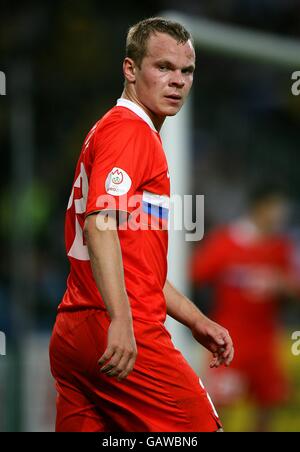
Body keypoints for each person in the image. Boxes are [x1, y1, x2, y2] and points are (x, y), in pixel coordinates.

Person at [49, 17, 234, 432]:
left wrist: (196, 319)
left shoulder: (111, 130)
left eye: (186, 71)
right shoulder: (131, 131)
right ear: (130, 69)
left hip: (74, 329)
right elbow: (100, 224)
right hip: (119, 325)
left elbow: (137, 265)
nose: (177, 81)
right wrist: (120, 320)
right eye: (163, 67)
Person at [190, 183, 299, 431]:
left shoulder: (279, 248)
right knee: (220, 407)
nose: (280, 215)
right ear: (260, 208)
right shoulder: (225, 243)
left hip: (264, 340)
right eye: (275, 209)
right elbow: (194, 275)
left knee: (268, 405)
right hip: (230, 339)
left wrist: (283, 286)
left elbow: (293, 292)